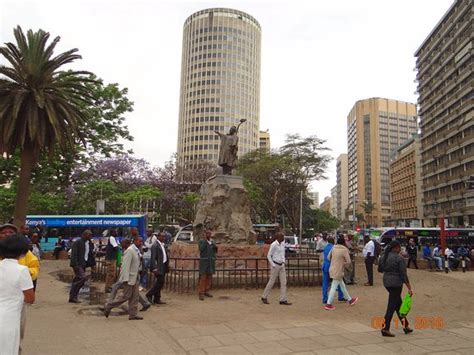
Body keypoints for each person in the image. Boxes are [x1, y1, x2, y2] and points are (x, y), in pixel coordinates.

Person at [0, 235, 35, 355]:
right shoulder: (22, 270)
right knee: (8, 349)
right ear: (23, 252)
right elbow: (30, 298)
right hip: (10, 317)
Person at [104, 237, 144, 320]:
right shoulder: (130, 251)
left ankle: (133, 314)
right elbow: (125, 266)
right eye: (140, 241)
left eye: (141, 241)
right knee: (126, 296)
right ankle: (109, 306)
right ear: (135, 241)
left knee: (135, 297)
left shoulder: (136, 250)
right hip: (129, 278)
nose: (141, 243)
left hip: (135, 277)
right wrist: (125, 279)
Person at [379, 240, 413, 337]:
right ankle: (385, 328)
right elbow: (403, 275)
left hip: (386, 282)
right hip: (396, 283)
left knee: (398, 305)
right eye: (399, 248)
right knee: (391, 307)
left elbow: (380, 269)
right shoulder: (399, 258)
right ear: (396, 248)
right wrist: (409, 288)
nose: (400, 250)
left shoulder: (383, 257)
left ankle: (405, 326)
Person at [324, 235, 358, 311]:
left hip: (332, 268)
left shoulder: (333, 248)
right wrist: (343, 263)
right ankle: (328, 304)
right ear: (343, 243)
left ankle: (350, 300)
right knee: (334, 287)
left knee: (342, 285)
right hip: (339, 270)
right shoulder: (344, 250)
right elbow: (349, 261)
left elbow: (328, 258)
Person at [261, 232, 292, 305]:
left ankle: (283, 299)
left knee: (284, 282)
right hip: (275, 265)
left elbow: (283, 254)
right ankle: (264, 296)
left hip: (281, 265)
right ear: (278, 238)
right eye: (282, 237)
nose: (283, 238)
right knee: (271, 282)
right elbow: (269, 255)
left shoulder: (282, 244)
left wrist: (283, 261)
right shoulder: (274, 245)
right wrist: (273, 264)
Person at [69, 230, 96, 303]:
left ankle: (73, 297)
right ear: (83, 235)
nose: (90, 237)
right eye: (88, 235)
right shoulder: (77, 242)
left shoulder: (89, 243)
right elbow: (74, 254)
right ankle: (73, 296)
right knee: (82, 278)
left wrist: (92, 264)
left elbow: (90, 254)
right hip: (77, 264)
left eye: (90, 236)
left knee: (79, 280)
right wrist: (75, 264)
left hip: (84, 264)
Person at [146, 232, 169, 305]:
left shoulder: (162, 245)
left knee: (160, 282)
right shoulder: (155, 245)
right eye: (162, 237)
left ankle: (157, 298)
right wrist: (154, 267)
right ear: (158, 237)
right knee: (160, 281)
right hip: (158, 267)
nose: (163, 238)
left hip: (163, 265)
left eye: (164, 237)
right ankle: (149, 294)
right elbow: (153, 257)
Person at [322, 236, 345, 304]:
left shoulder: (325, 247)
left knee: (325, 283)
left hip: (325, 265)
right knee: (338, 281)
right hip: (333, 266)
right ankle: (341, 296)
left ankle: (325, 298)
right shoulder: (334, 248)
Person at [198, 229, 218, 301]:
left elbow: (215, 250)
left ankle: (207, 290)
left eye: (210, 234)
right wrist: (205, 241)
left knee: (209, 277)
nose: (209, 235)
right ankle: (201, 292)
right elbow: (201, 249)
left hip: (210, 261)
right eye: (207, 234)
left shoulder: (212, 242)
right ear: (205, 234)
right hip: (204, 262)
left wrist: (215, 246)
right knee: (203, 277)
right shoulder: (201, 241)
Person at [104, 229, 119, 293]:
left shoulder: (114, 238)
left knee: (112, 273)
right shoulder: (112, 238)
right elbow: (116, 247)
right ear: (112, 233)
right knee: (111, 273)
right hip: (111, 259)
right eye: (115, 232)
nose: (117, 233)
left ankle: (109, 286)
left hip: (111, 258)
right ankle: (108, 288)